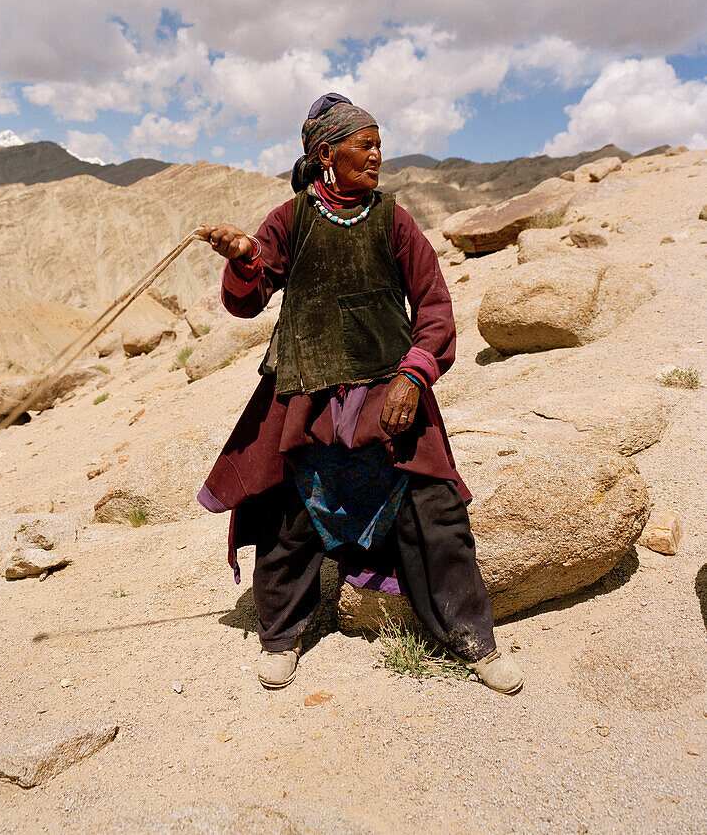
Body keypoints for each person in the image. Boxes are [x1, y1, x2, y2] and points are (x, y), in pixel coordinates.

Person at [196, 92, 523, 695]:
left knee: (436, 509)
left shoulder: (393, 219)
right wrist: (244, 257)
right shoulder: (289, 220)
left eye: (378, 144)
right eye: (363, 145)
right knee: (291, 517)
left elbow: (434, 305)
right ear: (327, 155)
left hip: (388, 396)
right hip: (308, 395)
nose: (377, 155)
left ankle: (473, 639)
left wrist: (415, 374)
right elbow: (249, 297)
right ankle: (283, 637)